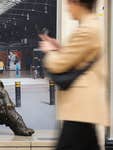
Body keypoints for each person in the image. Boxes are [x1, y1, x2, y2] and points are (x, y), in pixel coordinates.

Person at [39, 0, 109, 149]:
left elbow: (58, 65)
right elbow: (77, 58)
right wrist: (59, 49)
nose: (67, 8)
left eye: (68, 4)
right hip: (83, 109)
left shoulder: (88, 29)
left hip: (80, 108)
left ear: (77, 2)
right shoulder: (90, 26)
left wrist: (49, 51)